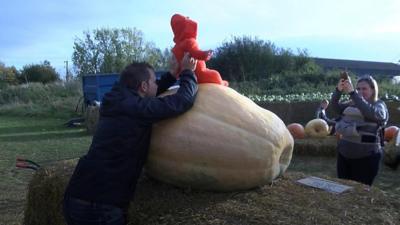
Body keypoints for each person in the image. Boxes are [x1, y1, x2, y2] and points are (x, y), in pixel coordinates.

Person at [63, 52, 198, 225]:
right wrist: (188, 72)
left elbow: (150, 95)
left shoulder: (118, 100)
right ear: (142, 86)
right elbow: (183, 101)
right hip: (100, 206)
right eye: (154, 81)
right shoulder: (136, 109)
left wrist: (172, 74)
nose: (156, 83)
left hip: (77, 195)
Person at [331, 73, 388, 186]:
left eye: (364, 88)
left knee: (360, 192)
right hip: (344, 155)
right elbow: (335, 107)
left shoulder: (379, 105)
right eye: (358, 89)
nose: (360, 91)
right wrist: (338, 90)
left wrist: (353, 93)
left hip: (366, 158)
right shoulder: (351, 103)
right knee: (343, 189)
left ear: (373, 90)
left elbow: (372, 114)